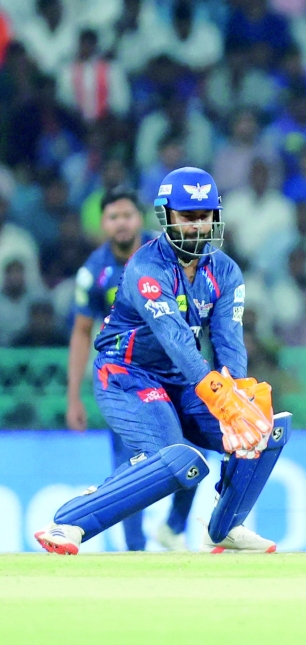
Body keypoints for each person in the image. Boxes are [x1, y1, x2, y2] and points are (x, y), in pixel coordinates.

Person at [36, 168, 286, 555]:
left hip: (179, 382)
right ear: (167, 217)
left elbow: (228, 341)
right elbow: (176, 340)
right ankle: (70, 521)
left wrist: (236, 393)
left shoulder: (225, 271)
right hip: (125, 375)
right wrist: (220, 397)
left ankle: (224, 527)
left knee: (262, 429)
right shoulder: (145, 268)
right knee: (175, 462)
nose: (198, 226)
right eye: (187, 217)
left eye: (205, 216)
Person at [66, 189, 197, 551]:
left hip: (172, 375)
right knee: (133, 465)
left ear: (140, 220)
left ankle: (173, 527)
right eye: (113, 216)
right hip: (126, 380)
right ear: (103, 224)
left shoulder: (166, 256)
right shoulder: (94, 272)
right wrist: (73, 395)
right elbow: (80, 333)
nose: (121, 223)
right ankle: (135, 553)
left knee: (189, 449)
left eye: (127, 215)